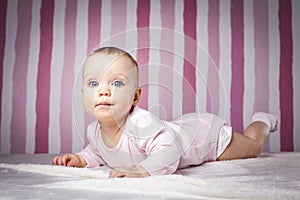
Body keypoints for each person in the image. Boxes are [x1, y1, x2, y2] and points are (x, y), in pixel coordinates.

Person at [52, 46, 278, 178]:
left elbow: (170, 152)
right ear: (82, 94)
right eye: (93, 84)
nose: (103, 91)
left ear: (135, 97)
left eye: (117, 83)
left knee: (252, 147)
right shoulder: (94, 132)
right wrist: (80, 159)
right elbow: (99, 152)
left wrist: (141, 171)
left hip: (207, 136)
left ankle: (262, 122)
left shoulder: (142, 123)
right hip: (181, 125)